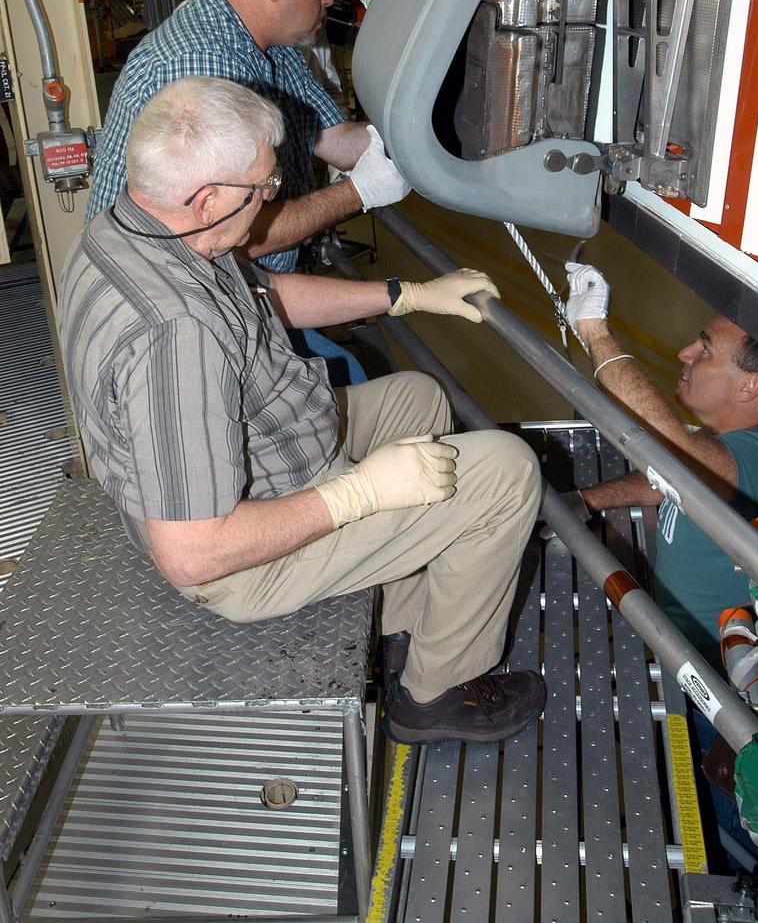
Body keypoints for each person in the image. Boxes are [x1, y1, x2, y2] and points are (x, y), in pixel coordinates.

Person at [60, 77, 547, 746]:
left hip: (265, 451)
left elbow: (265, 296)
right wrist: (359, 494)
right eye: (261, 188)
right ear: (207, 196)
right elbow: (193, 553)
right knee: (505, 472)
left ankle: (399, 607)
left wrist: (405, 295)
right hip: (236, 558)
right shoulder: (175, 335)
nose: (269, 201)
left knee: (418, 397)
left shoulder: (140, 227)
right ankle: (435, 693)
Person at [87, 0, 411, 382]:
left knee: (347, 375)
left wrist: (419, 143)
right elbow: (238, 237)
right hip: (182, 320)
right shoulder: (204, 69)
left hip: (239, 287)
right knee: (343, 388)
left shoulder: (268, 43)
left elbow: (336, 138)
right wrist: (360, 193)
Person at [563, 261, 758, 861]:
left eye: (704, 350)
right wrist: (590, 499)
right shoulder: (731, 455)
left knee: (739, 828)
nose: (684, 352)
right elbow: (670, 479)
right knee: (683, 800)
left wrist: (597, 334)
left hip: (730, 688)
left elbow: (676, 454)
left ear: (749, 387)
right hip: (686, 659)